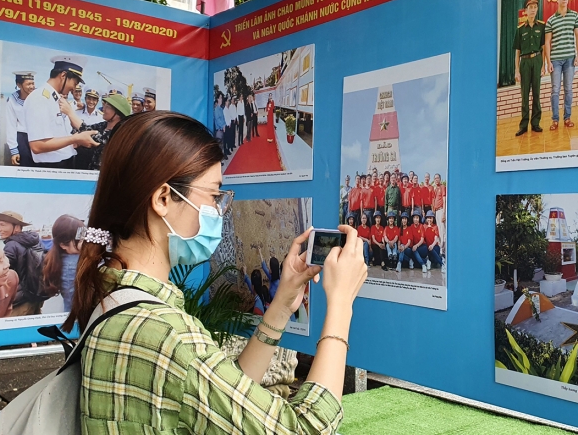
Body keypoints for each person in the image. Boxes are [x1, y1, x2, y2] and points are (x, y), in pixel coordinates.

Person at [63, 111, 366, 432]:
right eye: (212, 196)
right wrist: (341, 304)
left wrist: (280, 307)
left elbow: (226, 401)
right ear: (163, 198)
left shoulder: (113, 299)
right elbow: (306, 429)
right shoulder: (172, 337)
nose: (218, 210)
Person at [24, 56, 100, 169]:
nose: (74, 89)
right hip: (51, 168)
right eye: (75, 83)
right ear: (63, 75)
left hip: (64, 163)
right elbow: (37, 146)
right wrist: (75, 138)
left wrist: (74, 140)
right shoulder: (40, 98)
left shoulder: (55, 99)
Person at [0, 211, 46, 316]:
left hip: (21, 301)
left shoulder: (11, 245)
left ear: (16, 227)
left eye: (2, 225)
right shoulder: (35, 241)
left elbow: (2, 271)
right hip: (36, 297)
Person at [545, 0, 578, 130]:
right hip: (555, 60)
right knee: (555, 89)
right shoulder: (550, 20)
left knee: (568, 89)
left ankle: (567, 117)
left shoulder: (575, 16)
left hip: (570, 59)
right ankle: (555, 120)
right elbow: (547, 42)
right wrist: (548, 62)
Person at [63, 94, 133, 171]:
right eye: (104, 105)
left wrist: (70, 112)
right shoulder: (104, 125)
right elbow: (87, 129)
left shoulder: (118, 133)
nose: (104, 109)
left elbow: (92, 137)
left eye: (108, 107)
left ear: (118, 114)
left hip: (105, 175)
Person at [513, 0, 546, 135]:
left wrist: (543, 65)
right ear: (525, 11)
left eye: (535, 7)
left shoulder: (542, 27)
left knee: (537, 94)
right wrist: (516, 70)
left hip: (537, 60)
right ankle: (523, 125)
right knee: (525, 95)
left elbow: (544, 48)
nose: (533, 10)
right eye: (530, 7)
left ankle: (535, 123)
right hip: (525, 62)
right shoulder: (520, 29)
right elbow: (517, 52)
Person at [40, 215, 84, 313]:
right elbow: (75, 302)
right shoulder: (72, 265)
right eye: (80, 240)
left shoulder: (60, 259)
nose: (85, 242)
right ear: (63, 245)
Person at [5, 71, 37, 167]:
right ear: (19, 85)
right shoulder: (12, 100)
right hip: (23, 139)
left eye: (33, 83)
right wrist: (14, 151)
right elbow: (11, 125)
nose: (32, 86)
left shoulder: (40, 97)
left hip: (40, 137)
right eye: (28, 84)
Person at [431, 173, 447, 256]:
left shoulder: (442, 187)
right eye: (435, 178)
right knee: (438, 230)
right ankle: (441, 249)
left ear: (440, 179)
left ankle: (443, 250)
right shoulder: (435, 189)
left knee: (442, 230)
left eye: (437, 178)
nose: (436, 180)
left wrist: (444, 213)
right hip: (436, 211)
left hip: (441, 210)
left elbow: (444, 201)